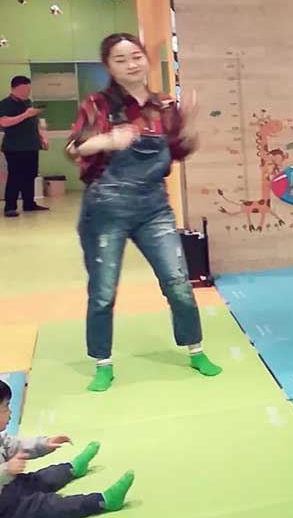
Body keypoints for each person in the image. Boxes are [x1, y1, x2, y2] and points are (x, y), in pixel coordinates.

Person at [65, 33, 223, 392]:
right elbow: (74, 147)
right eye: (120, 59)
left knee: (178, 282)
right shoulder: (98, 104)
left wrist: (188, 123)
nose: (131, 64)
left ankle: (195, 349)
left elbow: (177, 152)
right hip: (106, 208)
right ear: (109, 66)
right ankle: (102, 362)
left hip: (154, 207)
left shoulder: (164, 105)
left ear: (146, 59)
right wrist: (108, 140)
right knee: (103, 290)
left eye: (135, 56)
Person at [0, 379, 135, 518]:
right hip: (4, 511)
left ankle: (72, 469)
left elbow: (15, 445)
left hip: (7, 486)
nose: (11, 412)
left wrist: (43, 444)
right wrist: (7, 470)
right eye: (6, 407)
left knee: (38, 479)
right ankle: (101, 501)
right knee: (45, 505)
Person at [1, 76, 49, 217]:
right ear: (15, 88)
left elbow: (34, 123)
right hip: (15, 147)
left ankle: (29, 203)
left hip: (31, 145)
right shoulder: (6, 103)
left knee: (31, 175)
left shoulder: (28, 102)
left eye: (29, 89)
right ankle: (10, 207)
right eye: (25, 89)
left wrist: (42, 137)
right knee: (15, 176)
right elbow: (4, 122)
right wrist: (25, 114)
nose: (28, 92)